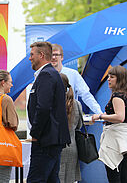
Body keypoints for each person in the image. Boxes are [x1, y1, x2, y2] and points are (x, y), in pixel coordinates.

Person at [27, 41, 71, 182]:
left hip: (45, 140)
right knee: (52, 179)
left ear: (41, 55)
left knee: (36, 179)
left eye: (32, 54)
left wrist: (35, 133)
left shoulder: (46, 75)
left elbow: (43, 107)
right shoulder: (50, 74)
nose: (30, 58)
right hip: (51, 139)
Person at [92, 65, 127, 183]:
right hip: (126, 138)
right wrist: (108, 117)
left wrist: (100, 116)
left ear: (120, 79)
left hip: (115, 139)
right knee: (124, 174)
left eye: (112, 77)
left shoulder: (117, 96)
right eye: (109, 77)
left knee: (113, 174)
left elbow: (120, 117)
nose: (108, 79)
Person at [51, 43, 102, 114]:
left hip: (70, 118)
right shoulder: (42, 75)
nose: (53, 57)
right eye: (51, 55)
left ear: (62, 57)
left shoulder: (73, 74)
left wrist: (99, 113)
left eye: (56, 55)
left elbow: (86, 95)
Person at [58, 73, 82, 183]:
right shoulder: (77, 104)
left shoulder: (54, 103)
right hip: (72, 146)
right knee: (70, 179)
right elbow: (79, 126)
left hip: (57, 146)